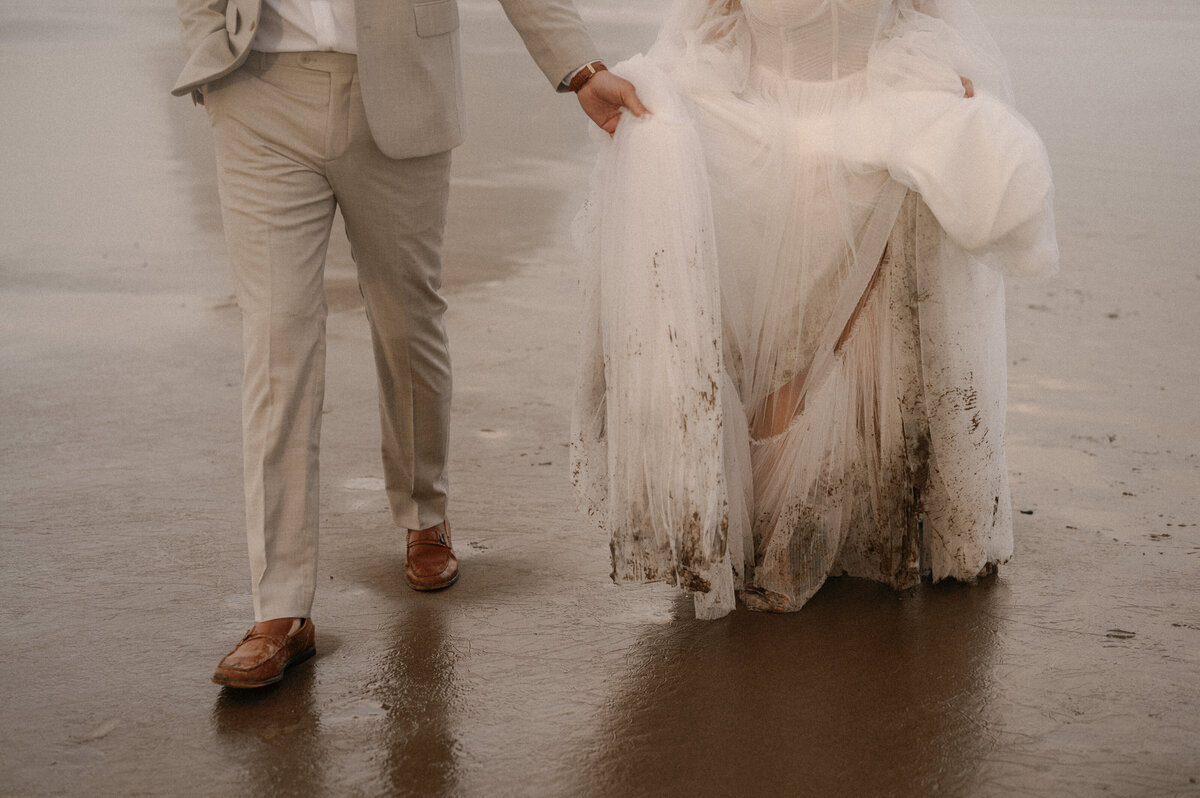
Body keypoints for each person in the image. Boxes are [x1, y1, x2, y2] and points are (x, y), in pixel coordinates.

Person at [172, 0, 646, 687]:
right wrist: (208, 49)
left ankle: (425, 511)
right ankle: (280, 610)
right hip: (257, 92)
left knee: (406, 322)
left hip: (401, 93)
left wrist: (580, 70)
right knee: (276, 347)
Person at [571, 0, 1059, 619]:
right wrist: (670, 93)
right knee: (772, 341)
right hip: (756, 132)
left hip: (872, 122)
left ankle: (847, 520)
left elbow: (923, 15)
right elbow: (707, 27)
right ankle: (767, 523)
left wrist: (940, 72)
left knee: (861, 329)